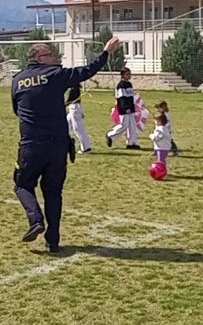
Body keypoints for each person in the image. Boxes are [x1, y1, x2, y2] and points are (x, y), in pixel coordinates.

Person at [11, 37, 119, 253]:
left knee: (23, 185)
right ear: (40, 58)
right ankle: (53, 241)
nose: (54, 58)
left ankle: (35, 219)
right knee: (53, 192)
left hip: (31, 144)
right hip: (57, 145)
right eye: (50, 55)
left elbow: (16, 109)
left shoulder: (17, 80)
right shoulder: (55, 75)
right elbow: (87, 70)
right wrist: (106, 52)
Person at [106, 68, 140, 150]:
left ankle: (131, 143)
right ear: (123, 75)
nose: (129, 76)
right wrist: (126, 108)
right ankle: (110, 135)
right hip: (124, 109)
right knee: (124, 125)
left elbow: (130, 97)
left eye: (130, 74)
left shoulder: (129, 84)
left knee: (132, 126)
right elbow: (121, 99)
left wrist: (132, 107)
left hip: (130, 108)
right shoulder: (121, 86)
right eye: (127, 74)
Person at [65, 85, 91, 153]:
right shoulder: (74, 88)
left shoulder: (74, 89)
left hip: (74, 109)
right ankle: (64, 145)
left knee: (78, 129)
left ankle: (86, 148)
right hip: (72, 109)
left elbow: (70, 100)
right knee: (66, 127)